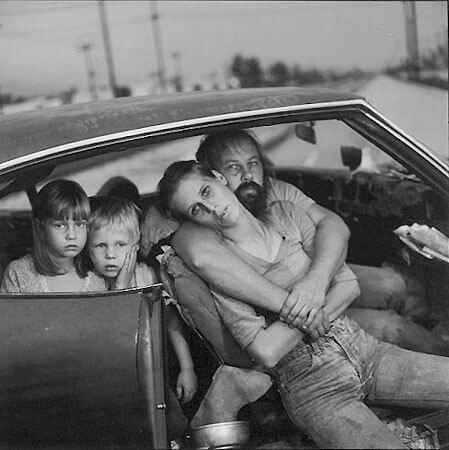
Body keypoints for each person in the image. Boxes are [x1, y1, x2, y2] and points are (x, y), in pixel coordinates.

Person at [158, 160, 449, 449]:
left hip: (365, 348)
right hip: (312, 385)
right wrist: (312, 314)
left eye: (206, 192)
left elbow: (349, 285)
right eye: (197, 209)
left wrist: (310, 292)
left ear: (220, 178)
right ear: (193, 221)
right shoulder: (223, 271)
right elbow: (266, 351)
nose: (211, 208)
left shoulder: (287, 214)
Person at [164, 130, 448, 355]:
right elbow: (200, 255)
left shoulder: (275, 191)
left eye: (253, 163)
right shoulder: (203, 218)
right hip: (289, 317)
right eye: (234, 167)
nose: (249, 175)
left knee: (393, 283)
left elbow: (333, 224)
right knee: (391, 327)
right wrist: (303, 306)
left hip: (318, 283)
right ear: (217, 176)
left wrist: (316, 281)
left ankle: (429, 333)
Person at [86, 196, 198, 407]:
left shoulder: (148, 276)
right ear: (87, 248)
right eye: (100, 245)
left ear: (135, 245)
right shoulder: (90, 283)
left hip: (155, 368)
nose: (110, 254)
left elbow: (171, 322)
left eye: (120, 244)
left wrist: (187, 367)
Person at [1, 179, 106, 293]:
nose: (71, 235)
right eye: (60, 226)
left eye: (79, 224)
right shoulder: (19, 273)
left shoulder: (97, 273)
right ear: (40, 228)